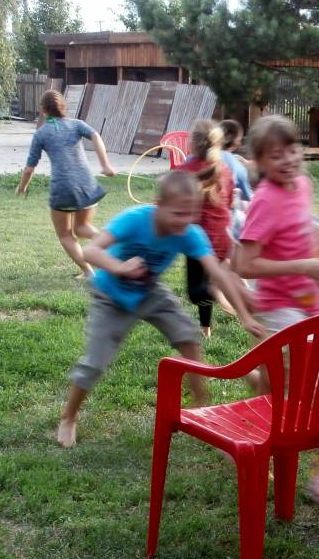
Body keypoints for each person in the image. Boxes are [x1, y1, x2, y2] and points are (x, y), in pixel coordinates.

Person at [56, 170, 265, 448]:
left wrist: (244, 314)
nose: (185, 221)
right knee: (95, 363)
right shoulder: (135, 219)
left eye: (191, 213)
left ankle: (200, 403)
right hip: (111, 294)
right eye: (178, 213)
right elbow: (91, 251)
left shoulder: (190, 232)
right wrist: (120, 266)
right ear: (159, 204)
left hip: (149, 291)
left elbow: (219, 273)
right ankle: (68, 417)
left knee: (189, 337)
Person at [233, 114, 319, 509]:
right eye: (276, 154)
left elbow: (310, 224)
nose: (287, 159)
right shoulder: (266, 201)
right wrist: (303, 266)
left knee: (282, 382)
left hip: (310, 302)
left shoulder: (303, 184)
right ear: (261, 162)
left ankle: (254, 405)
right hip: (277, 307)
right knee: (310, 385)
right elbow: (244, 264)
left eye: (292, 149)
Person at [16, 90, 116, 278]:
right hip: (87, 184)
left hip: (63, 189)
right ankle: (111, 244)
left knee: (65, 235)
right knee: (82, 227)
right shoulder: (77, 124)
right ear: (63, 107)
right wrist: (106, 165)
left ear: (43, 110)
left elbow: (30, 168)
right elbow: (96, 136)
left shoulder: (41, 134)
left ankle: (88, 272)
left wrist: (22, 187)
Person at [176, 119, 241, 338]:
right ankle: (206, 329)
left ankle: (216, 291)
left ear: (192, 144)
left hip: (198, 240)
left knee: (196, 292)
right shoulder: (223, 169)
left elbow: (171, 202)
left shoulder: (186, 170)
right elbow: (230, 201)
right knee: (209, 280)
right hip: (223, 237)